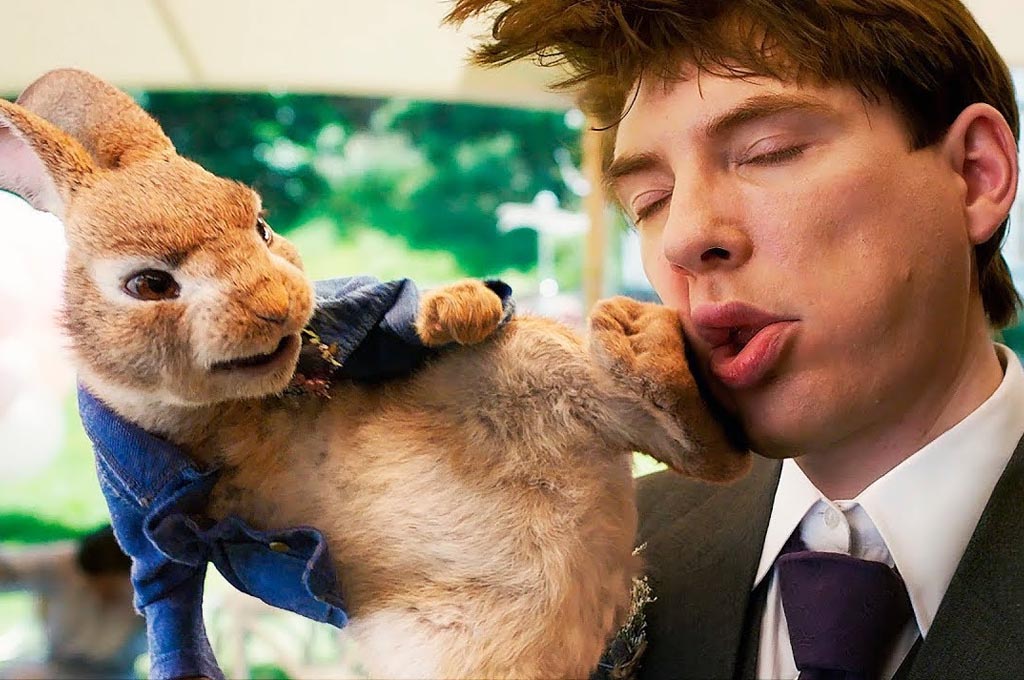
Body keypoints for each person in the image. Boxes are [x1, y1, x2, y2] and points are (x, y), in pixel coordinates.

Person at [446, 0, 1024, 678]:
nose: (684, 238)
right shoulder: (595, 562)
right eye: (650, 201)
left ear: (976, 174)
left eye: (767, 152)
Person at [0, 525, 146, 679]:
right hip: (54, 669)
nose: (102, 591)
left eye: (112, 586)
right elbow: (9, 569)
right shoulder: (64, 563)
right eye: (95, 583)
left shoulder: (150, 583)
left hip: (117, 674)